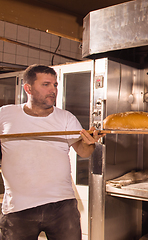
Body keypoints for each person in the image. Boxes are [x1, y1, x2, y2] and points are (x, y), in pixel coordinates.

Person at [0, 64, 104, 239]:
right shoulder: (5, 115)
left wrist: (90, 143)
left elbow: (84, 152)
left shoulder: (66, 117)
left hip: (62, 206)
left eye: (55, 85)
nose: (53, 90)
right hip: (18, 208)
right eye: (46, 84)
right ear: (28, 88)